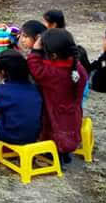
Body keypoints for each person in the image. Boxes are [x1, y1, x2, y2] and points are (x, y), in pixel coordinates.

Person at [28, 29, 88, 163]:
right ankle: (65, 153)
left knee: (53, 133)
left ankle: (55, 157)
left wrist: (36, 51)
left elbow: (35, 68)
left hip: (53, 114)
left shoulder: (52, 72)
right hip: (72, 113)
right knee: (66, 133)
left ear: (53, 55)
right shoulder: (78, 69)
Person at [0, 50, 42, 162]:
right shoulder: (35, 88)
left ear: (3, 72)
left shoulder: (3, 90)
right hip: (33, 136)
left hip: (11, 136)